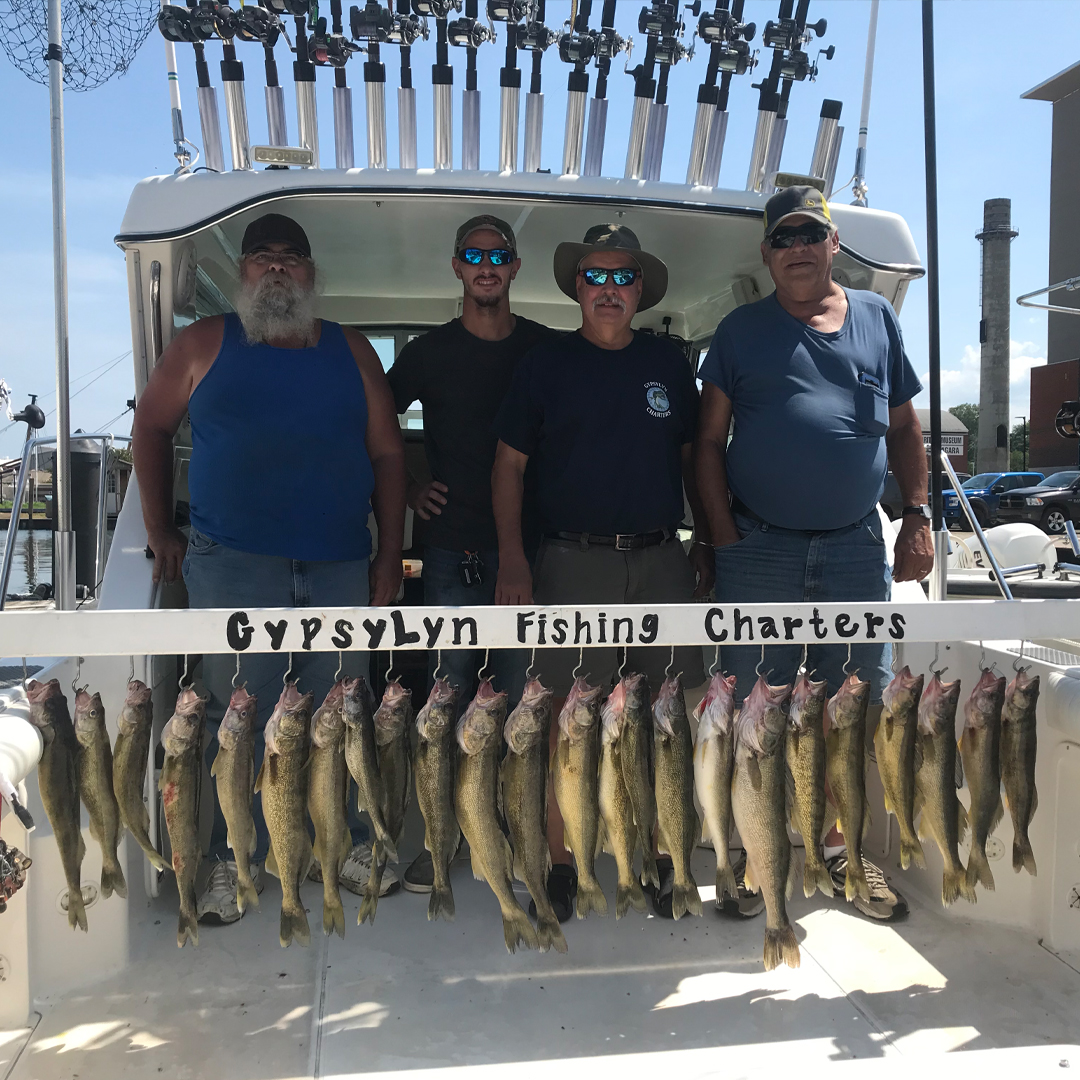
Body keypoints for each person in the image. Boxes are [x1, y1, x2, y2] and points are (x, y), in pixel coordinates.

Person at [132, 212, 407, 925]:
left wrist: (387, 554)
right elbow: (152, 427)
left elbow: (387, 455)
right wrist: (158, 526)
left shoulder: (352, 351)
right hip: (230, 565)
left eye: (292, 258)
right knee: (231, 715)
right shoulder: (200, 342)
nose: (278, 269)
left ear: (312, 275)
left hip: (340, 561)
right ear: (241, 273)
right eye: (263, 258)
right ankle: (228, 860)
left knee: (339, 713)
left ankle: (338, 844)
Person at [694, 185, 933, 922]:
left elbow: (902, 431)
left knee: (849, 705)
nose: (797, 246)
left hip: (858, 548)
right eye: (783, 237)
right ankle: (748, 852)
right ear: (767, 254)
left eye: (810, 233)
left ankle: (835, 847)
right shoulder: (738, 332)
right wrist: (719, 534)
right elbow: (705, 443)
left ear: (834, 244)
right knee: (748, 709)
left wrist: (918, 516)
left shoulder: (878, 318)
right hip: (757, 547)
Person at [492, 223, 713, 921]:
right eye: (596, 276)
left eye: (623, 277)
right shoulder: (544, 365)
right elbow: (509, 467)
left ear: (640, 289)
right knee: (565, 717)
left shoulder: (671, 366)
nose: (609, 289)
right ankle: (563, 861)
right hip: (570, 559)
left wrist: (704, 541)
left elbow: (694, 462)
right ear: (576, 286)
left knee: (666, 713)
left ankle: (658, 855)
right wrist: (514, 558)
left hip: (660, 558)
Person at [386, 214, 558, 894]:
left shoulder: (546, 350)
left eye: (498, 255)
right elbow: (376, 419)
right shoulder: (428, 353)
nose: (486, 265)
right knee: (446, 700)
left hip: (530, 551)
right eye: (472, 255)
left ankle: (519, 836)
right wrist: (411, 485)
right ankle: (442, 838)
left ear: (516, 268)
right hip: (449, 551)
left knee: (522, 704)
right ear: (456, 267)